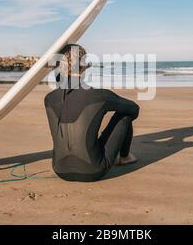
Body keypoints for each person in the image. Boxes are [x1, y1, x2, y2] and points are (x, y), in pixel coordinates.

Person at [44, 44, 140, 182]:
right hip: (93, 170)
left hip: (59, 169)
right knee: (124, 115)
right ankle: (125, 157)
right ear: (85, 65)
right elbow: (134, 109)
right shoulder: (99, 95)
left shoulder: (49, 99)